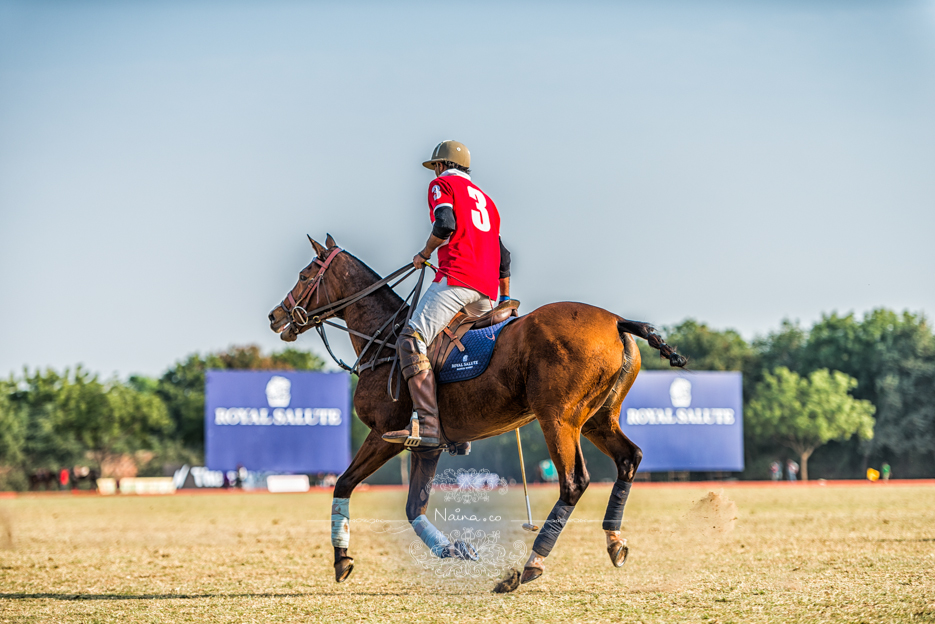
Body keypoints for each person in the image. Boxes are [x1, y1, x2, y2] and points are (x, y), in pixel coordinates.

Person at [383, 140, 512, 448]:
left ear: (440, 166)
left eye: (434, 168)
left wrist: (423, 252)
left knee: (411, 339)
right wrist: (505, 299)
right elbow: (503, 257)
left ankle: (427, 425)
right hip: (487, 292)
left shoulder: (441, 185)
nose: (433, 174)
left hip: (457, 279)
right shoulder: (487, 201)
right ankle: (458, 432)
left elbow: (445, 224)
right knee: (445, 345)